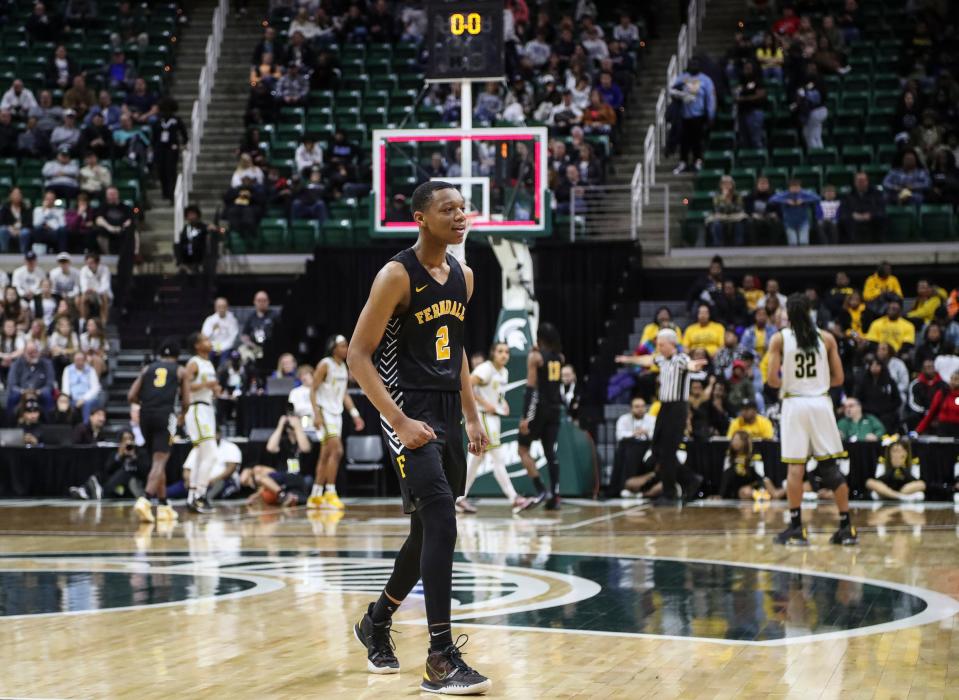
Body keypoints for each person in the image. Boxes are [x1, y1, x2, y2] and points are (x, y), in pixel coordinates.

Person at [346, 180, 490, 692]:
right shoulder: (395, 275)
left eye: (462, 208)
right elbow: (358, 356)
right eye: (447, 208)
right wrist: (400, 421)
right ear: (421, 218)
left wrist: (472, 416)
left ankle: (376, 622)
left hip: (449, 410)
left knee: (426, 529)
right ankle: (440, 657)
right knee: (443, 522)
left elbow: (458, 355)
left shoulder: (464, 277)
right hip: (405, 407)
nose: (459, 215)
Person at [768, 294, 856, 546]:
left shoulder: (780, 339)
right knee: (829, 467)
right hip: (820, 403)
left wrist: (790, 380)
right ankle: (846, 527)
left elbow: (773, 380)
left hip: (795, 403)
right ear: (810, 312)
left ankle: (796, 528)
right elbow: (839, 379)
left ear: (788, 314)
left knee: (795, 468)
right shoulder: (826, 338)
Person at [615, 329, 708, 503]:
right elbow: (647, 359)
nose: (658, 347)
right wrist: (628, 359)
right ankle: (691, 480)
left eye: (661, 344)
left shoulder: (681, 359)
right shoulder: (661, 359)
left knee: (668, 451)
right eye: (657, 344)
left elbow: (690, 365)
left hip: (677, 408)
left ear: (672, 344)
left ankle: (669, 491)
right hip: (664, 407)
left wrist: (695, 366)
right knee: (657, 449)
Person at [457, 342, 528, 513]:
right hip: (482, 418)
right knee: (497, 459)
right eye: (500, 351)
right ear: (493, 353)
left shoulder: (504, 372)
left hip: (493, 418)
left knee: (475, 460)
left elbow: (497, 395)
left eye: (507, 352)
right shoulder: (486, 369)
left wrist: (502, 403)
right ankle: (514, 498)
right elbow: (466, 385)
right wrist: (484, 403)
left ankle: (458, 498)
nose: (504, 355)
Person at [127, 341, 188, 524]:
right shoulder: (180, 370)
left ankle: (163, 506)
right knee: (160, 461)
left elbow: (131, 396)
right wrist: (181, 416)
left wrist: (146, 404)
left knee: (157, 459)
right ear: (177, 356)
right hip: (165, 415)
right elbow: (187, 401)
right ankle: (146, 499)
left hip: (145, 414)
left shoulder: (147, 369)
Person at [307, 335, 364, 510]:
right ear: (333, 348)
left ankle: (315, 495)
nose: (346, 348)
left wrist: (355, 414)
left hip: (336, 413)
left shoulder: (343, 367)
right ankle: (330, 492)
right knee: (337, 451)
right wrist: (316, 414)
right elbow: (313, 390)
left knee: (326, 455)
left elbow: (344, 394)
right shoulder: (325, 364)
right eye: (342, 345)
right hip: (324, 413)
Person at [514, 323, 565, 510]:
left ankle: (541, 489)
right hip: (555, 408)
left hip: (539, 408)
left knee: (522, 448)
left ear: (539, 338)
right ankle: (556, 495)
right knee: (550, 451)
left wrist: (526, 417)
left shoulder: (535, 357)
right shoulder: (560, 358)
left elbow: (531, 388)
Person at [184, 332, 220, 514]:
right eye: (206, 340)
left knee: (201, 454)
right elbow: (186, 385)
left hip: (207, 408)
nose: (210, 342)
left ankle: (192, 496)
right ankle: (200, 494)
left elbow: (208, 386)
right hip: (197, 409)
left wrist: (215, 390)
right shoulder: (194, 362)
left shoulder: (208, 363)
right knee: (211, 454)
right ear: (198, 345)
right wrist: (207, 385)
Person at [671, 56, 716, 174]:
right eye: (691, 64)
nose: (693, 66)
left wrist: (711, 114)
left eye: (695, 64)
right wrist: (680, 95)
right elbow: (673, 90)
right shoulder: (682, 78)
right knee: (684, 140)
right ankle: (683, 162)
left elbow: (711, 98)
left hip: (699, 115)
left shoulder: (705, 80)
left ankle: (698, 161)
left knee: (697, 140)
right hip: (684, 115)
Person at [719, 431, 775, 500]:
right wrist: (721, 495)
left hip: (754, 485)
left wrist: (760, 487)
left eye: (737, 440)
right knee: (745, 492)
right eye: (733, 440)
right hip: (737, 489)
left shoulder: (755, 456)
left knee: (767, 483)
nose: (734, 442)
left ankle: (783, 490)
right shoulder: (729, 456)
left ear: (745, 441)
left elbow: (760, 476)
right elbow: (726, 477)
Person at [153, 98, 188, 202]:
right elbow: (154, 135)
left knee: (171, 171)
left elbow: (184, 132)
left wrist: (184, 143)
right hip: (160, 148)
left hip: (172, 148)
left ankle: (173, 194)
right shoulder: (159, 120)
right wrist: (154, 147)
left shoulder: (176, 120)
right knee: (161, 170)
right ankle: (165, 192)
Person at [6, 341, 56, 415]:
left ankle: (48, 423)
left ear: (39, 352)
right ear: (24, 353)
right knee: (13, 396)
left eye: (35, 352)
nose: (33, 355)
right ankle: (10, 422)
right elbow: (12, 384)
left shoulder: (47, 364)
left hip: (40, 391)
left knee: (47, 395)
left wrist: (39, 391)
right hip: (21, 392)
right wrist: (23, 391)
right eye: (29, 352)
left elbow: (50, 384)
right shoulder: (16, 364)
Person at [769, 180, 821, 246]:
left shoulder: (804, 194)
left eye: (797, 187)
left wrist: (803, 201)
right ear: (789, 188)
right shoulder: (785, 194)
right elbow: (771, 199)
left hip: (803, 222)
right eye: (793, 187)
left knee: (803, 243)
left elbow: (818, 198)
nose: (795, 189)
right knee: (793, 244)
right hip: (789, 223)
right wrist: (786, 201)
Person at [906, 359, 946, 430]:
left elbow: (946, 400)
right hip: (921, 413)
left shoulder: (943, 384)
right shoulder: (915, 384)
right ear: (922, 369)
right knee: (912, 417)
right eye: (926, 367)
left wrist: (935, 412)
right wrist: (925, 411)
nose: (929, 369)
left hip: (938, 413)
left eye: (930, 367)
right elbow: (913, 403)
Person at [916, 371, 959, 437]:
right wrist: (918, 431)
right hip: (943, 430)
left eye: (956, 379)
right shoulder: (942, 394)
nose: (952, 382)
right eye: (951, 379)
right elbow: (930, 414)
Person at [61, 350, 100, 422]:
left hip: (87, 398)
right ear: (73, 360)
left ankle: (86, 426)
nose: (79, 362)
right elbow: (65, 387)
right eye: (77, 360)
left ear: (85, 360)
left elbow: (95, 388)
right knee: (64, 403)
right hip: (72, 398)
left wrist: (83, 399)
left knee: (88, 404)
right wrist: (68, 397)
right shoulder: (68, 369)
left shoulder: (91, 370)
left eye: (81, 360)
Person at [708, 175, 747, 246]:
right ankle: (718, 244)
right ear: (721, 185)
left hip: (735, 217)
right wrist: (723, 199)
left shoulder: (737, 195)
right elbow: (717, 209)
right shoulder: (717, 196)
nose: (726, 186)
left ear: (732, 185)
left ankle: (739, 244)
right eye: (724, 184)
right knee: (716, 224)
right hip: (721, 217)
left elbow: (739, 209)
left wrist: (729, 202)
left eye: (729, 184)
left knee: (739, 224)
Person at [201, 297, 239, 364]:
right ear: (215, 308)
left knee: (224, 359)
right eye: (219, 307)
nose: (221, 309)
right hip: (212, 347)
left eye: (223, 306)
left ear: (227, 307)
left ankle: (222, 373)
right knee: (205, 355)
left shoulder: (232, 320)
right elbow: (204, 336)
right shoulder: (210, 320)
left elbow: (233, 338)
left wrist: (222, 348)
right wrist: (212, 330)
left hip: (226, 347)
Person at [78, 252, 111, 326]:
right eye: (87, 263)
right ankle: (84, 322)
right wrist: (87, 290)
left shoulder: (105, 269)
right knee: (82, 298)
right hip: (90, 294)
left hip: (102, 294)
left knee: (104, 296)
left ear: (97, 262)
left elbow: (105, 286)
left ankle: (104, 322)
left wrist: (96, 290)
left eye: (91, 263)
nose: (89, 265)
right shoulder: (84, 270)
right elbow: (83, 286)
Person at [0, 187, 32, 254]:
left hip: (22, 230)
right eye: (14, 194)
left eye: (18, 194)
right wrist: (10, 228)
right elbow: (2, 221)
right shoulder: (5, 207)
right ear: (10, 195)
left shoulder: (26, 207)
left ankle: (23, 253)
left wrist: (19, 230)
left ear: (21, 196)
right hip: (9, 230)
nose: (17, 196)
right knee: (2, 230)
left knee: (25, 232)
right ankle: (4, 252)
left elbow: (29, 223)